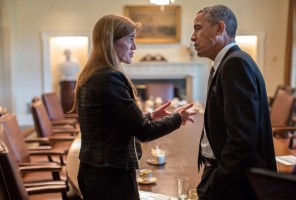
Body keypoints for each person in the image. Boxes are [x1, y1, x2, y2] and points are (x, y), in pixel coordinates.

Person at [72, 14, 196, 200]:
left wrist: (150, 116)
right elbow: (144, 132)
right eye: (130, 39)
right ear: (110, 40)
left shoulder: (94, 74)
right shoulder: (109, 78)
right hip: (111, 178)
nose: (135, 47)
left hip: (96, 172)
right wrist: (177, 118)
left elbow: (113, 123)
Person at [191, 5, 277, 200]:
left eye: (198, 28)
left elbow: (242, 140)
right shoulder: (225, 62)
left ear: (220, 28)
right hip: (225, 175)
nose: (193, 37)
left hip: (236, 185)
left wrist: (216, 183)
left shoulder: (235, 63)